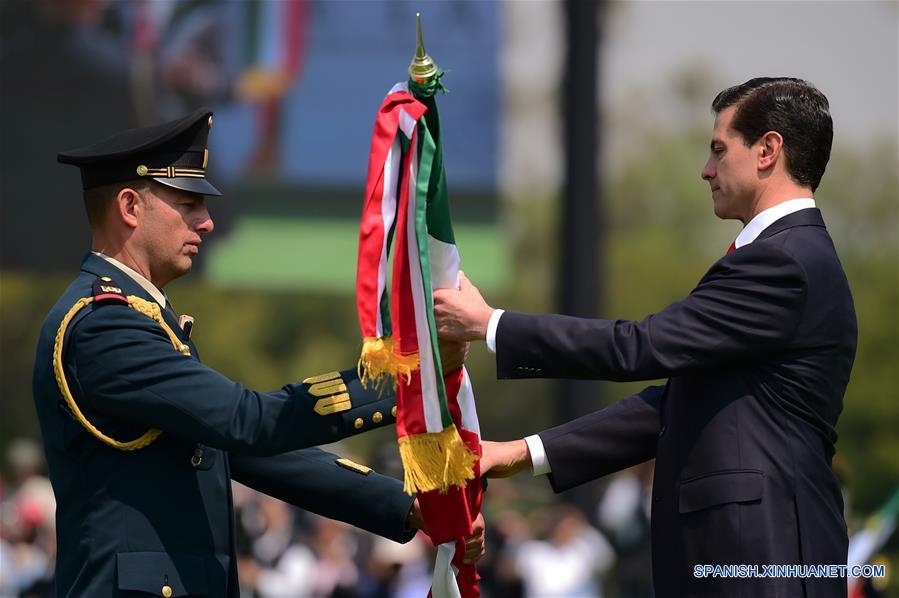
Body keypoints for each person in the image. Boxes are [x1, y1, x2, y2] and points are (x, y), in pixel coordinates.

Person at [33, 108, 483, 597]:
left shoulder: (139, 319)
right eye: (188, 203)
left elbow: (239, 451)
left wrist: (405, 504)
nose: (206, 223)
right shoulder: (106, 324)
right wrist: (407, 374)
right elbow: (248, 422)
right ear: (129, 206)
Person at [434, 77, 856, 597]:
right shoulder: (786, 257)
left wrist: (490, 324)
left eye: (720, 150)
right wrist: (521, 452)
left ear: (768, 150)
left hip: (761, 557)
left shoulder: (782, 262)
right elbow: (680, 402)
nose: (706, 170)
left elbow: (640, 346)